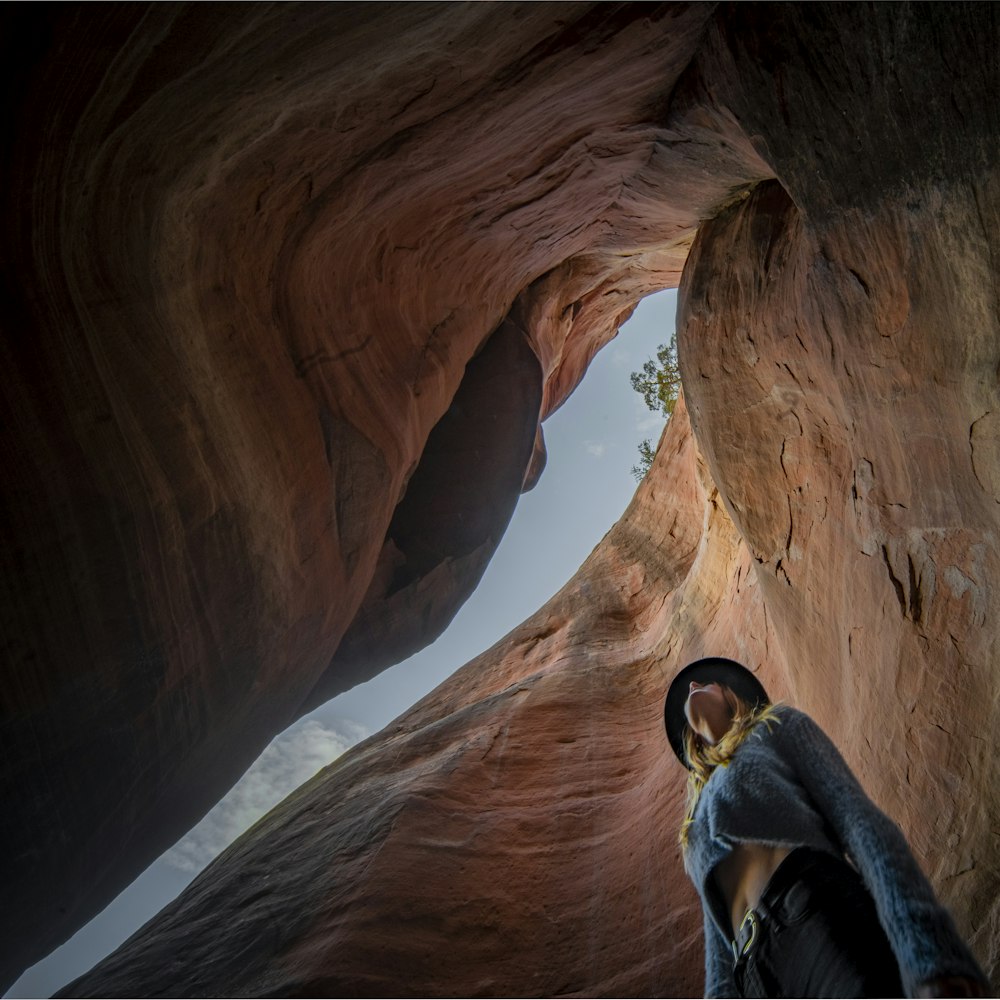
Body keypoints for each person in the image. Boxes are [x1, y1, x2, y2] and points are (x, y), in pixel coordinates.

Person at [663, 656, 989, 999]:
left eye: (706, 683)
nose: (693, 685)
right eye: (693, 685)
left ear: (733, 697)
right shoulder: (695, 821)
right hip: (754, 978)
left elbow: (858, 820)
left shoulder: (776, 726)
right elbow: (718, 948)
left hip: (814, 913)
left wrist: (929, 954)